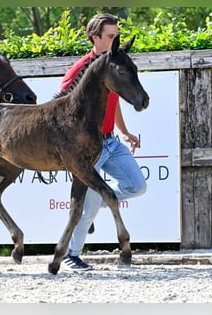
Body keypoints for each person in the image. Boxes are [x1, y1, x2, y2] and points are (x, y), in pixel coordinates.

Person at [60, 13, 147, 271]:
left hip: (111, 142)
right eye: (110, 36)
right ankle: (71, 255)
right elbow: (61, 106)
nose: (114, 40)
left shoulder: (114, 65)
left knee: (137, 186)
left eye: (116, 36)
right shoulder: (80, 70)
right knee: (88, 206)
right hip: (88, 148)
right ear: (94, 38)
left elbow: (114, 102)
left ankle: (96, 203)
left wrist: (125, 131)